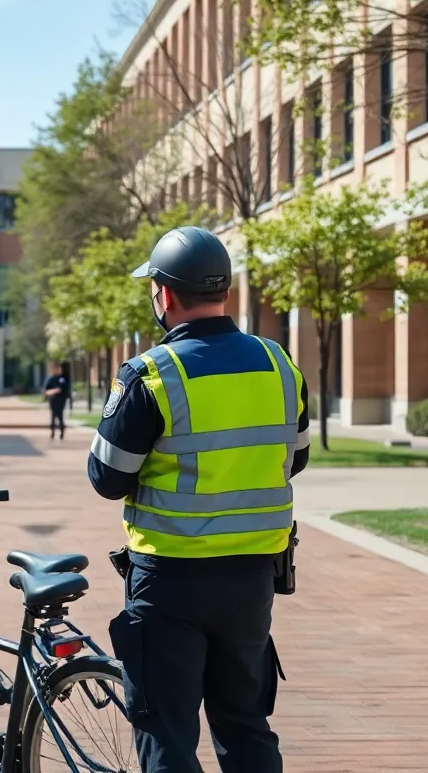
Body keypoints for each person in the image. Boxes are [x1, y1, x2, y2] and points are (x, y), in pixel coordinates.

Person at [87, 226, 309, 773]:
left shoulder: (151, 374)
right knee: (246, 728)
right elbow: (295, 457)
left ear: (163, 294)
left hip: (170, 583)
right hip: (253, 579)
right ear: (223, 291)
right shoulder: (279, 364)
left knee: (167, 734)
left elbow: (107, 476)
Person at [44, 361, 70, 439]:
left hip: (61, 400)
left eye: (58, 368)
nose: (57, 370)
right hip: (52, 400)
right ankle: (52, 432)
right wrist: (51, 392)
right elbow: (46, 390)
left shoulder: (63, 378)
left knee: (60, 415)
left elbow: (61, 389)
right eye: (55, 368)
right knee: (53, 416)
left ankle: (62, 432)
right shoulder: (51, 379)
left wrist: (54, 391)